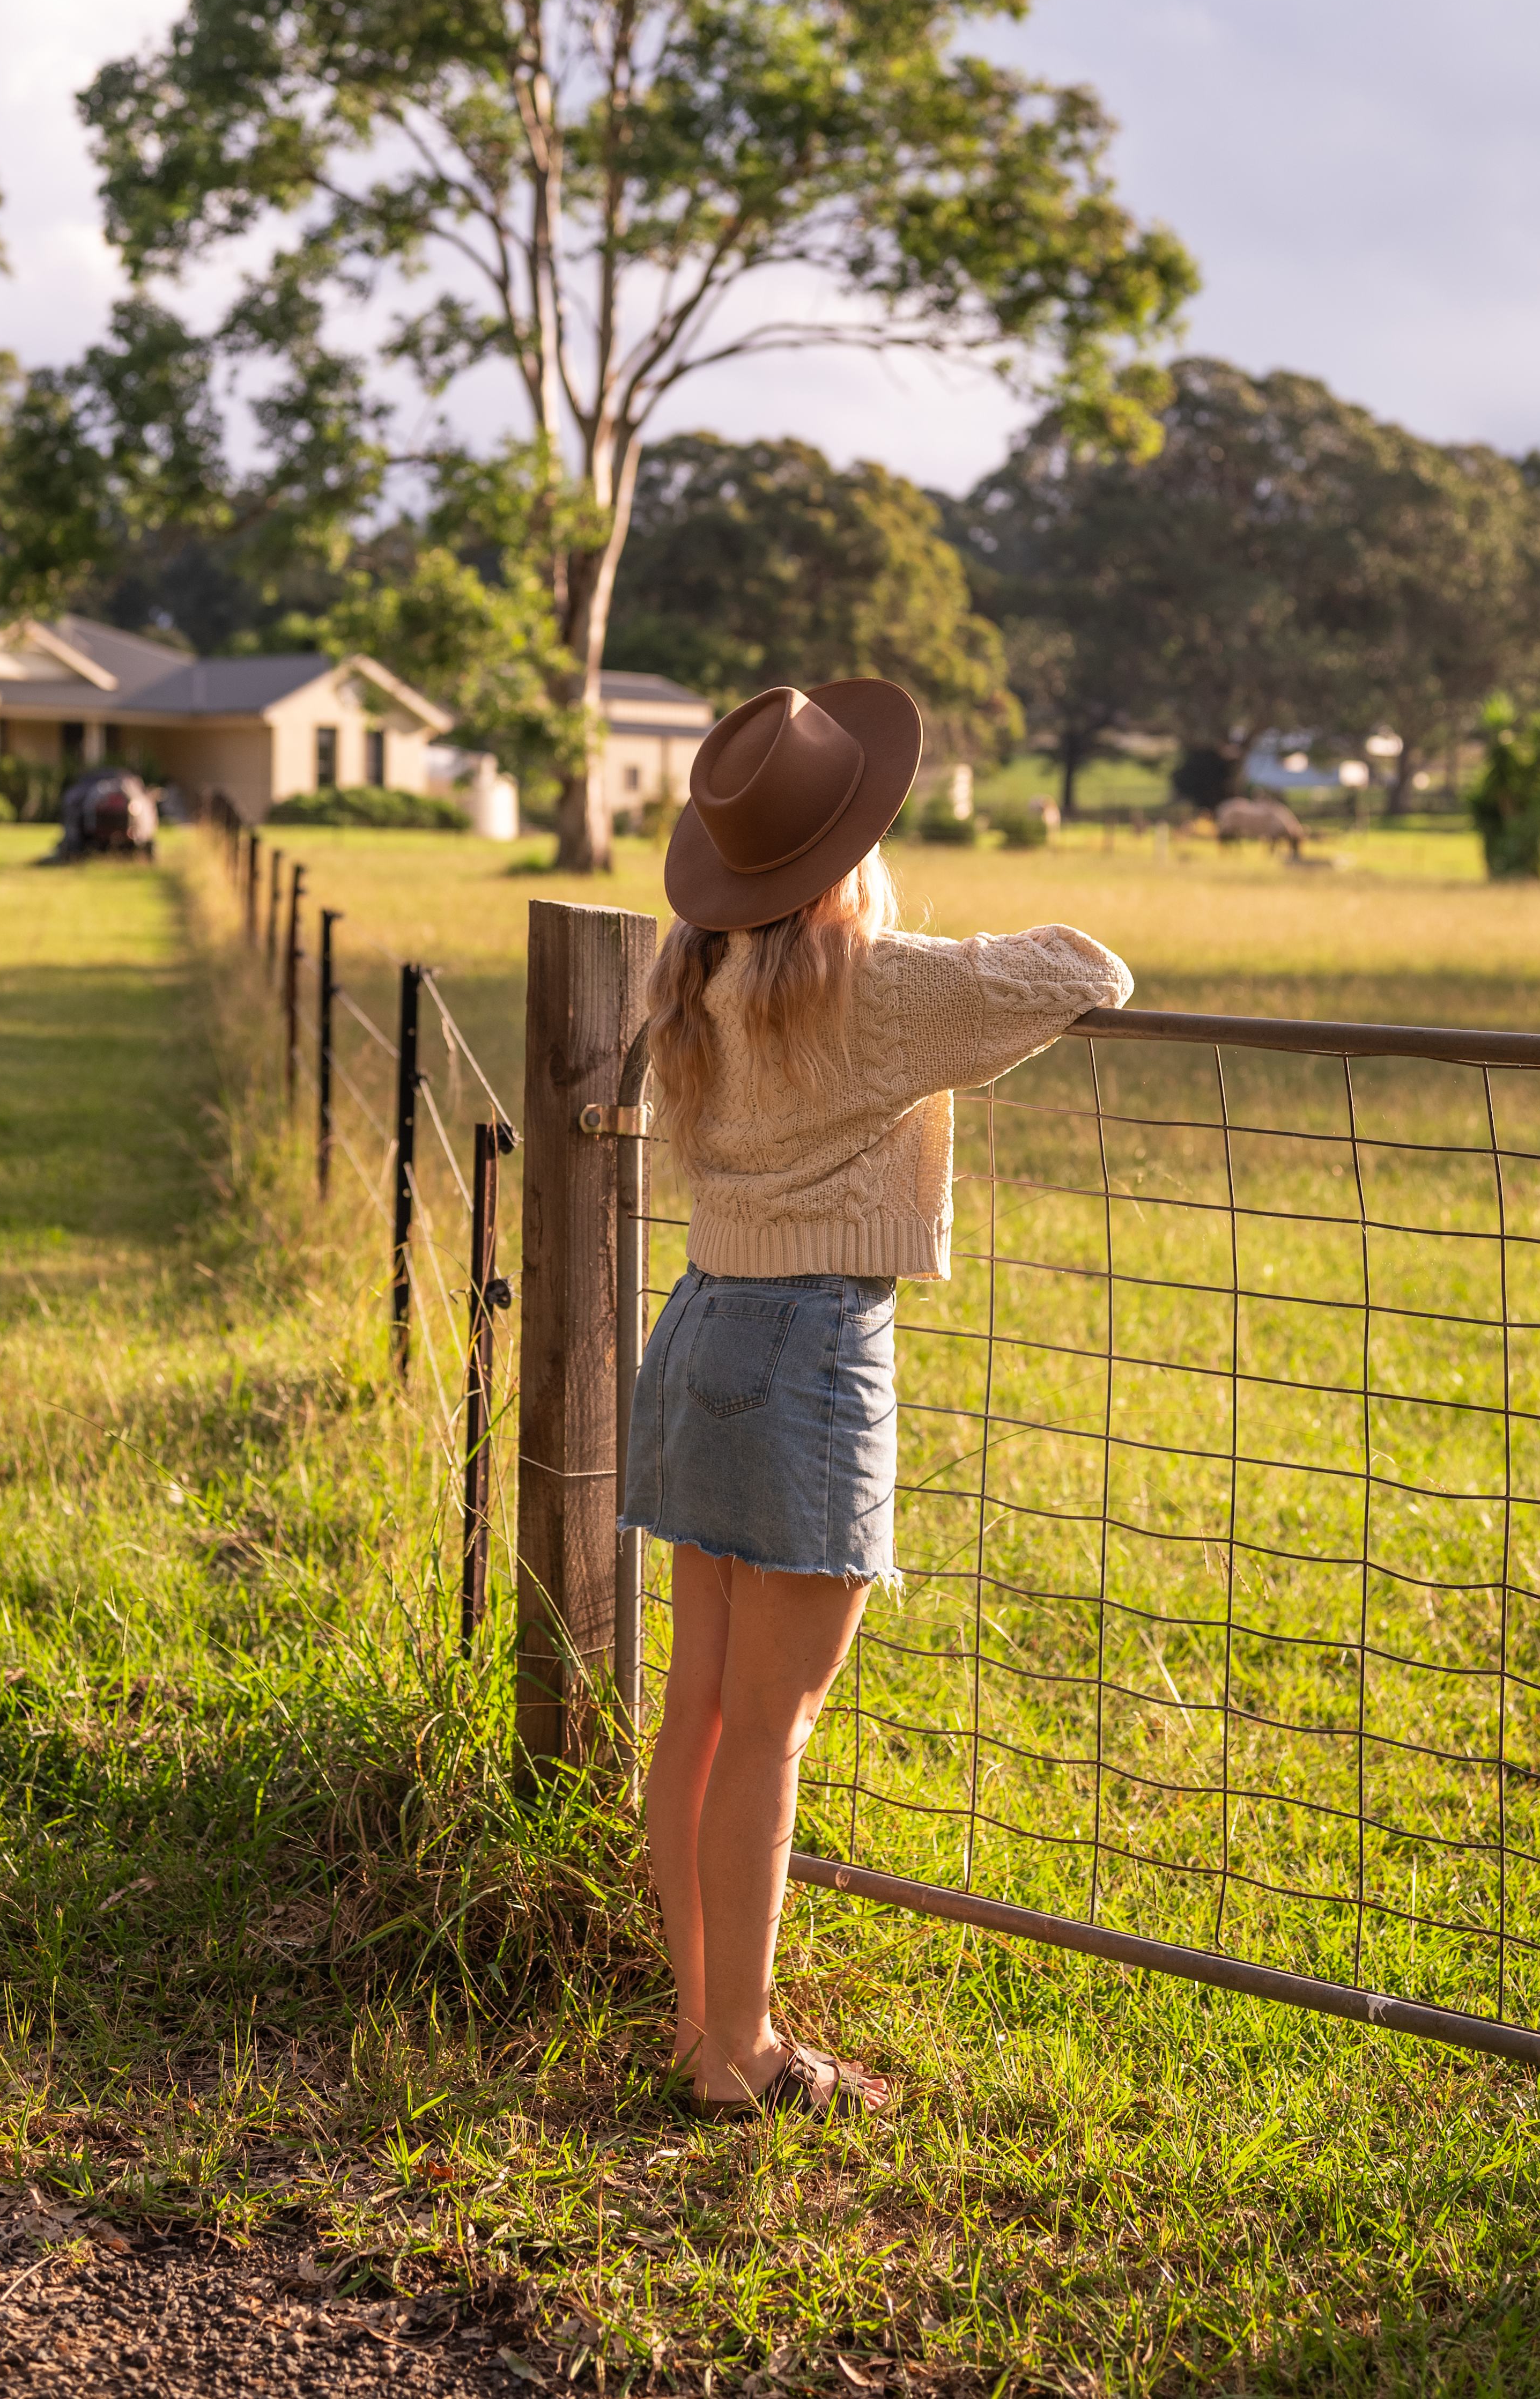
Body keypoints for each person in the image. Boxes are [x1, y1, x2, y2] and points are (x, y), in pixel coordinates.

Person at [621, 678, 1133, 2118]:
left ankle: (700, 2022)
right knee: (772, 1727)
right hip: (808, 1350)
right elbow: (1087, 967)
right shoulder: (874, 986)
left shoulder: (699, 978)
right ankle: (744, 2051)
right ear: (848, 846)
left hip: (705, 1321)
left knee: (702, 1707)